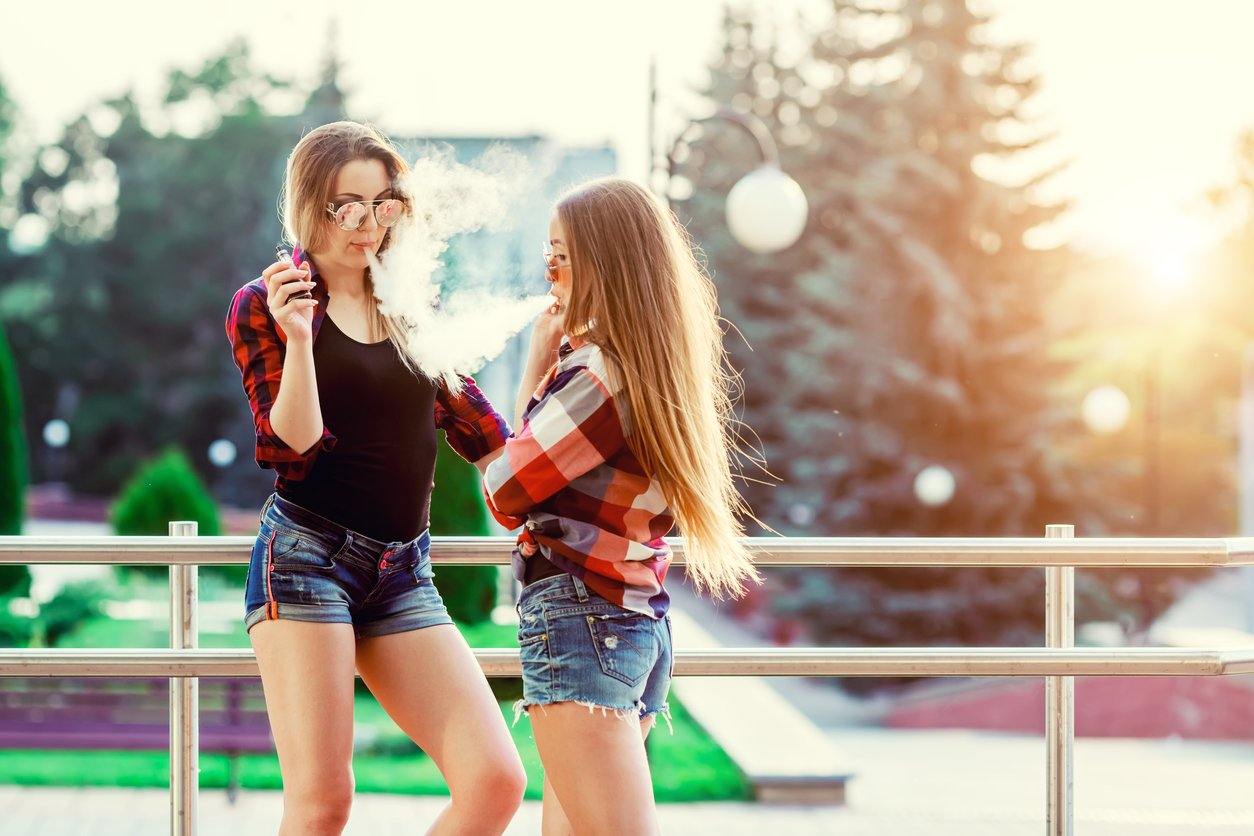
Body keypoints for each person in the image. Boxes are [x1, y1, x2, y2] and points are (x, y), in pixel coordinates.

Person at [225, 121, 525, 835]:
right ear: (310, 206)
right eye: (348, 206)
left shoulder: (408, 303)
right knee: (323, 804)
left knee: (494, 781)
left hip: (403, 574)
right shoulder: (263, 304)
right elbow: (291, 446)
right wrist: (301, 336)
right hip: (306, 562)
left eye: (384, 204)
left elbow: (485, 436)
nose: (369, 225)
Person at [476, 177, 760, 836]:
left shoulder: (596, 376)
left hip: (583, 617)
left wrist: (534, 369)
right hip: (628, 617)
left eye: (561, 256)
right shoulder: (650, 366)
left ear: (604, 265)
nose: (549, 272)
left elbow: (505, 490)